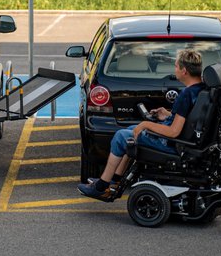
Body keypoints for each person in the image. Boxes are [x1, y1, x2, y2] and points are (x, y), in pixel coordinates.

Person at [77, 49, 205, 202]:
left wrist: (146, 124)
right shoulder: (201, 90)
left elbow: (173, 132)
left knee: (121, 137)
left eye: (176, 66)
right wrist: (168, 115)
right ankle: (115, 180)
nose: (174, 69)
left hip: (172, 144)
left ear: (184, 71)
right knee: (131, 131)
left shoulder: (186, 95)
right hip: (186, 139)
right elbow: (187, 118)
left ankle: (101, 187)